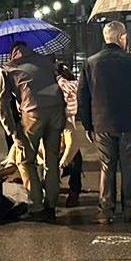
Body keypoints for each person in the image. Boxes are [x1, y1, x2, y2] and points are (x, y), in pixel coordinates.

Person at [77, 21, 131, 224]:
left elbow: (82, 97)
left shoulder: (90, 63)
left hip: (102, 122)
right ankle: (130, 209)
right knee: (129, 167)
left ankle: (106, 209)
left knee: (107, 166)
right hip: (129, 121)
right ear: (122, 37)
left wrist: (88, 125)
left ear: (106, 37)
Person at [0, 41, 66, 222]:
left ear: (13, 53)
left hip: (32, 114)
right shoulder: (47, 60)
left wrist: (13, 131)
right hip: (57, 111)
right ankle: (51, 204)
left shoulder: (8, 68)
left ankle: (37, 206)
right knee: (52, 159)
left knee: (25, 159)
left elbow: (1, 103)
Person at [56, 60, 83, 208]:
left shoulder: (61, 82)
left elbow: (71, 86)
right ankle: (51, 189)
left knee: (73, 155)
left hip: (63, 121)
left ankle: (74, 190)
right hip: (52, 121)